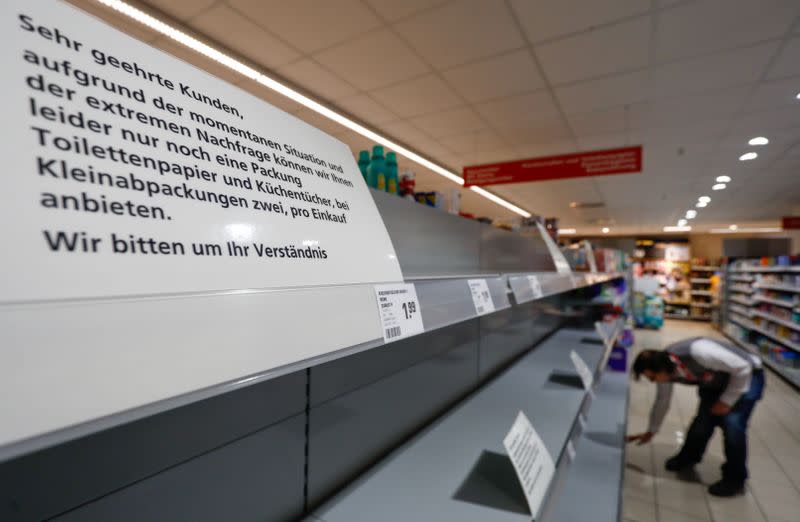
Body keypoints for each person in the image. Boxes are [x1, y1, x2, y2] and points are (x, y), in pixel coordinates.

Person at [626, 337, 765, 497]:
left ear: (660, 369)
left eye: (652, 377)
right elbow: (662, 401)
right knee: (702, 423)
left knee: (733, 426)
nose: (652, 381)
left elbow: (743, 367)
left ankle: (735, 479)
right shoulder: (665, 370)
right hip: (716, 382)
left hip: (748, 376)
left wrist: (727, 401)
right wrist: (652, 430)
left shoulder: (698, 352)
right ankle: (688, 458)